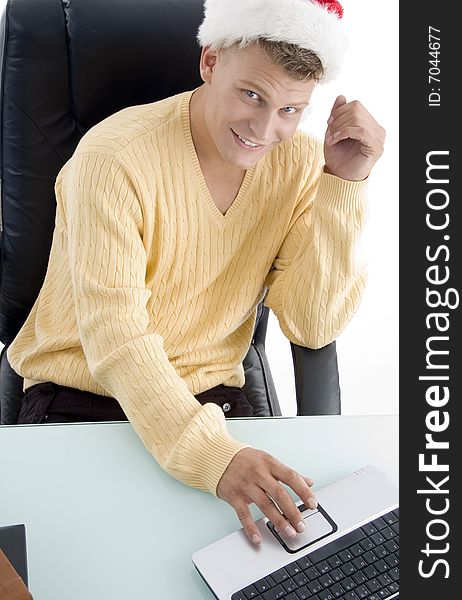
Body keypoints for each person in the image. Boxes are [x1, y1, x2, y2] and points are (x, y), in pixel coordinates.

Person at [7, 0, 385, 546]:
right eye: (251, 95)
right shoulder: (113, 157)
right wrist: (212, 457)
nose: (264, 128)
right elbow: (115, 337)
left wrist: (344, 185)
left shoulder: (299, 164)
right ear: (210, 62)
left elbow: (310, 326)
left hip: (214, 399)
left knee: (258, 569)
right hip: (81, 399)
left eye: (290, 110)